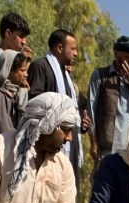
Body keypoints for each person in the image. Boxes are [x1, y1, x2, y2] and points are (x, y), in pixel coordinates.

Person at [28, 30, 88, 188]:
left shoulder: (66, 76)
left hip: (69, 142)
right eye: (73, 48)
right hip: (49, 145)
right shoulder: (41, 67)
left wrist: (79, 122)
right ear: (60, 48)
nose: (76, 53)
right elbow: (36, 106)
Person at [88, 36, 129, 160]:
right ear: (116, 54)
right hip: (107, 149)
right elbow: (91, 110)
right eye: (127, 57)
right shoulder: (100, 76)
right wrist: (93, 142)